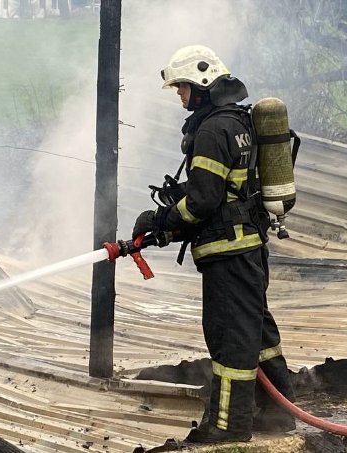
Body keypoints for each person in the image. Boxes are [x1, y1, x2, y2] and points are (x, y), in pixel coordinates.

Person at [132, 45, 296, 443]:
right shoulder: (237, 122)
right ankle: (278, 414)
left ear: (203, 85)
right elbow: (224, 187)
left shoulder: (211, 129)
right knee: (258, 334)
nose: (180, 96)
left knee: (231, 338)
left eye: (183, 88)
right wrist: (170, 220)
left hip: (228, 252)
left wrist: (162, 222)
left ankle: (228, 426)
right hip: (249, 247)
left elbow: (204, 200)